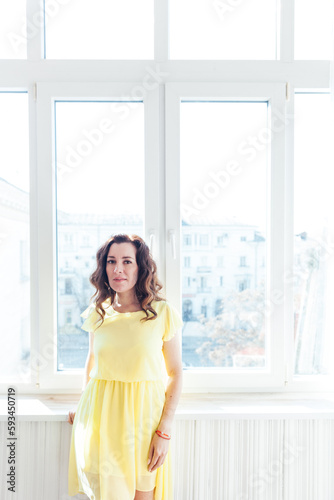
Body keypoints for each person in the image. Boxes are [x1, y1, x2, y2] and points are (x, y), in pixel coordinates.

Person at [67, 233, 183, 500]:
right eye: (111, 261)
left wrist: (164, 430)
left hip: (145, 422)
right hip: (102, 421)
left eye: (127, 261)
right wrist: (83, 404)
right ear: (103, 267)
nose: (118, 269)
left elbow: (176, 373)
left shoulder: (162, 312)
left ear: (141, 267)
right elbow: (92, 361)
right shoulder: (98, 313)